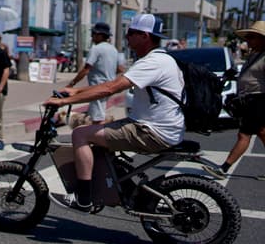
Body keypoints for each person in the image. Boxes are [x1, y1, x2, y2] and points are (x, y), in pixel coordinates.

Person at [44, 14, 184, 211]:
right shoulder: (162, 59)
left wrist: (65, 101)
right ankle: (116, 186)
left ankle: (83, 199)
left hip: (151, 131)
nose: (127, 38)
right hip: (160, 127)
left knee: (80, 134)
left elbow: (110, 89)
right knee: (99, 132)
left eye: (130, 33)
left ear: (144, 36)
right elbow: (112, 84)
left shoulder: (151, 63)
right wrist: (77, 91)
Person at [206, 20, 265, 179]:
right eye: (248, 37)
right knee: (262, 133)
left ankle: (224, 168)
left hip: (258, 101)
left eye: (252, 37)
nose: (248, 40)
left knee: (244, 135)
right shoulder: (255, 54)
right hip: (250, 100)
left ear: (262, 38)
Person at [66, 21, 125, 125]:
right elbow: (120, 69)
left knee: (97, 118)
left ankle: (100, 138)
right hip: (110, 86)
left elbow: (86, 69)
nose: (92, 36)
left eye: (93, 34)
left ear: (100, 35)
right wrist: (108, 72)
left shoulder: (96, 49)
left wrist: (72, 83)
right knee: (95, 114)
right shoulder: (113, 49)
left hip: (97, 87)